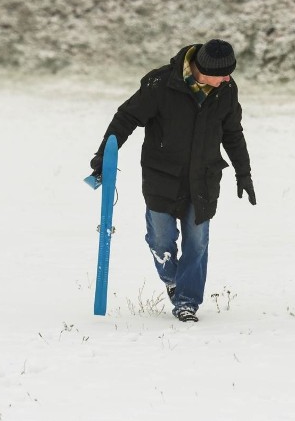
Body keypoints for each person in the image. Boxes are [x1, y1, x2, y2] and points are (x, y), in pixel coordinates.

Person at [89, 39, 256, 322]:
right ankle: (172, 278)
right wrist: (104, 156)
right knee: (160, 239)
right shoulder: (161, 84)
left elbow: (233, 133)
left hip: (203, 178)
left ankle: (187, 301)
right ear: (203, 69)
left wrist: (244, 172)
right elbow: (126, 117)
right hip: (161, 177)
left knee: (197, 242)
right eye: (223, 73)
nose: (228, 78)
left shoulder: (226, 90)